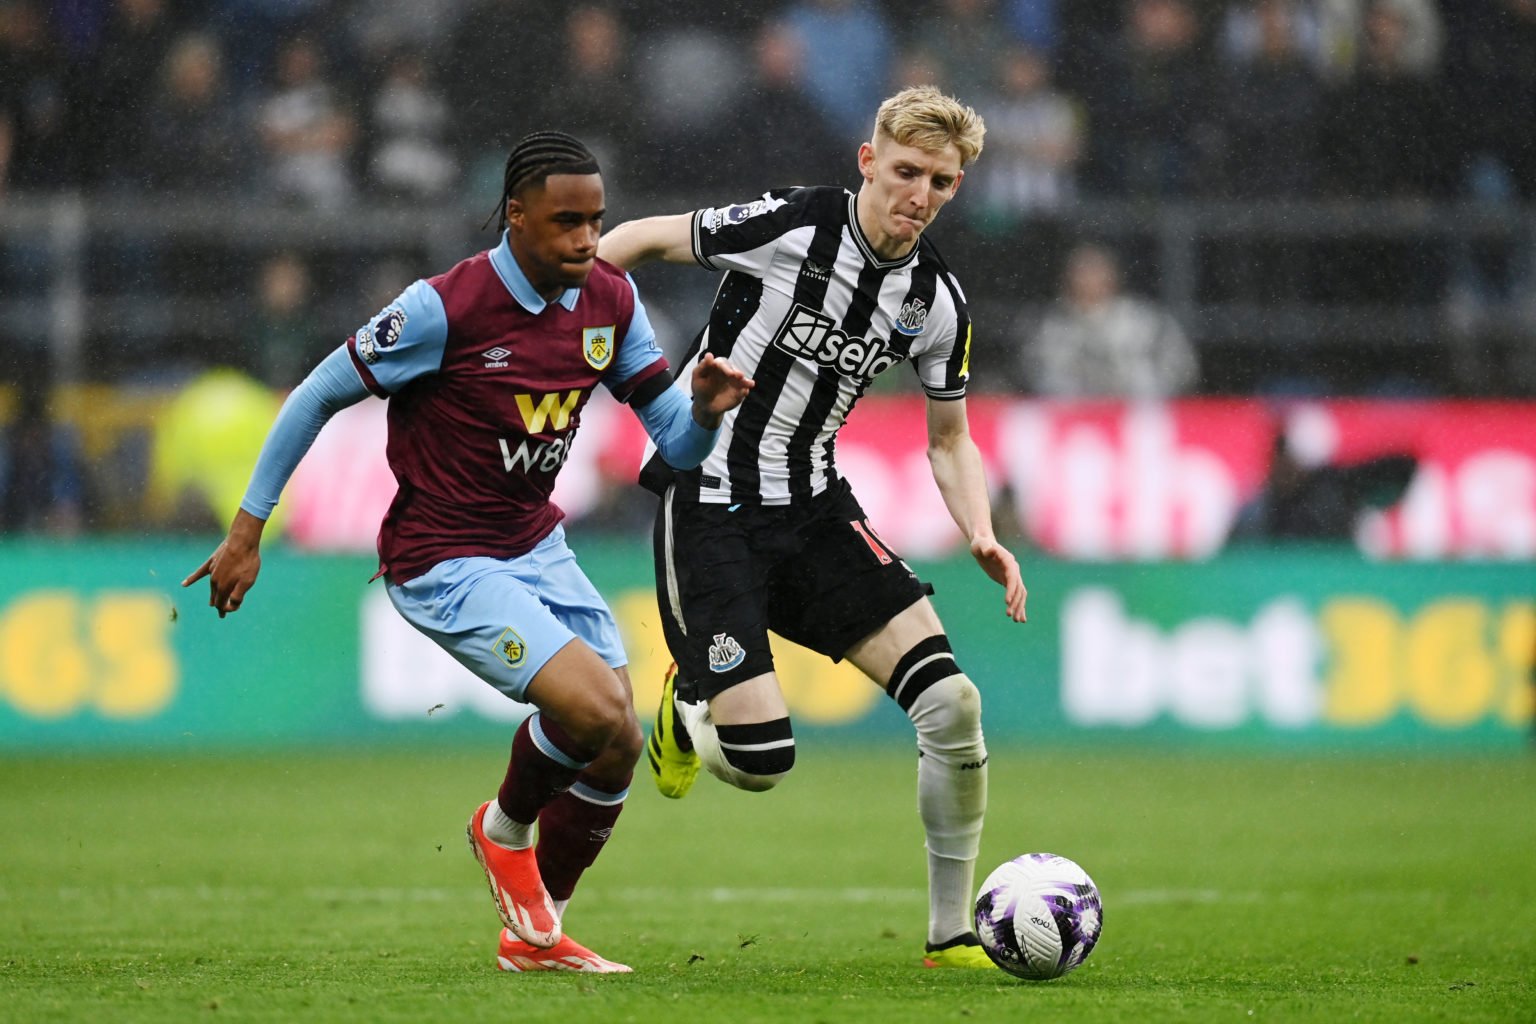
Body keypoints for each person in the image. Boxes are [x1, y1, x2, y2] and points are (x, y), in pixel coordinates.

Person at [183, 132, 753, 974]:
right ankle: (502, 832)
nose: (587, 240)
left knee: (619, 743)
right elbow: (316, 393)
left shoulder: (611, 301)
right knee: (594, 712)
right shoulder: (442, 308)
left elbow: (671, 439)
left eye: (596, 221)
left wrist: (703, 411)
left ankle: (537, 936)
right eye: (566, 223)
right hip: (443, 557)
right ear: (515, 216)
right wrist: (247, 527)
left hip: (535, 542)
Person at [598, 85, 1027, 970]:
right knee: (758, 762)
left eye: (941, 182)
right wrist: (557, 306)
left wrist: (981, 529)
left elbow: (949, 439)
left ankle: (949, 936)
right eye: (906, 171)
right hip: (710, 495)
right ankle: (687, 703)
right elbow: (643, 239)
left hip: (817, 507)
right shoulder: (794, 224)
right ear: (868, 163)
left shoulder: (936, 301)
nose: (920, 193)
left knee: (953, 703)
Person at [1021, 241, 1198, 398]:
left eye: (1096, 270)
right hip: (1074, 420)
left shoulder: (1145, 320)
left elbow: (1181, 367)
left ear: (1113, 275)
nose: (1088, 279)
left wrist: (1147, 390)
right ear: (1067, 277)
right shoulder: (1050, 325)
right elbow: (1036, 375)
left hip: (1138, 417)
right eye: (1082, 271)